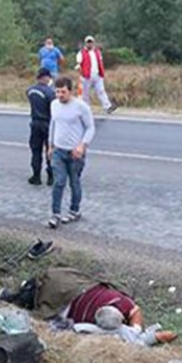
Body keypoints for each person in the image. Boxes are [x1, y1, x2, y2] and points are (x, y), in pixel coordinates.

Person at [0, 266, 177, 345]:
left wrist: (140, 331)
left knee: (38, 288)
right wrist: (138, 330)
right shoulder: (115, 320)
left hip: (66, 287)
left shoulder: (119, 307)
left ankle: (13, 296)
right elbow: (137, 315)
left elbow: (135, 311)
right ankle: (13, 296)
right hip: (68, 290)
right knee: (35, 291)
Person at [47, 77, 94, 229]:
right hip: (58, 151)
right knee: (58, 181)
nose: (60, 95)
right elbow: (53, 124)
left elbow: (90, 128)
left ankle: (74, 210)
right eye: (57, 92)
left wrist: (82, 145)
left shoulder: (81, 107)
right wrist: (50, 145)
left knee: (74, 182)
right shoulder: (54, 105)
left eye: (63, 92)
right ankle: (55, 214)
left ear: (71, 91)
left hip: (75, 153)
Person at [27, 68, 55, 186]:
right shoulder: (50, 92)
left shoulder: (30, 91)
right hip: (47, 123)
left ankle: (36, 176)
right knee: (50, 150)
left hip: (35, 122)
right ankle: (51, 177)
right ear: (46, 77)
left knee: (35, 150)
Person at [75, 35, 116, 114]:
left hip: (97, 75)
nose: (89, 44)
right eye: (88, 42)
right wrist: (80, 72)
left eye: (91, 42)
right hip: (86, 76)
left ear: (93, 43)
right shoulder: (81, 53)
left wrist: (102, 73)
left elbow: (100, 62)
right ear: (85, 43)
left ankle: (107, 107)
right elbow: (78, 64)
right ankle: (86, 108)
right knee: (85, 93)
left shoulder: (97, 52)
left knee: (101, 91)